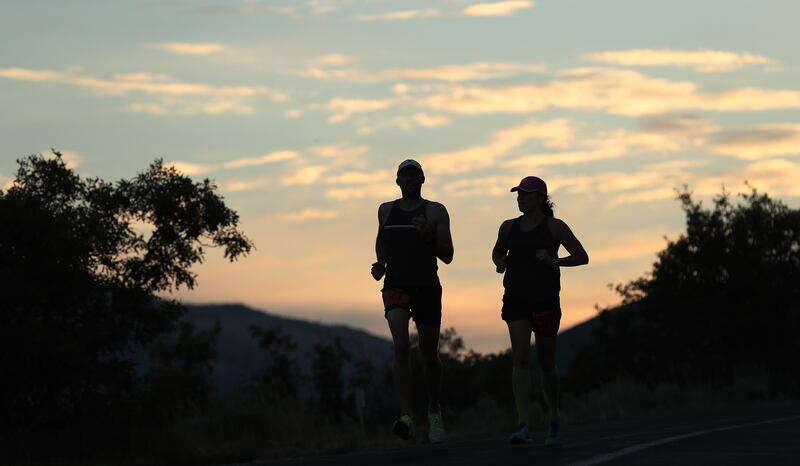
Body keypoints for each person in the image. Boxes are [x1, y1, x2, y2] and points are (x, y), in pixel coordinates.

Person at [492, 176, 588, 446]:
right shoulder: (508, 227)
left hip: (545, 299)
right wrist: (501, 262)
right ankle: (523, 424)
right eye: (519, 193)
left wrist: (554, 260)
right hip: (516, 299)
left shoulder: (554, 227)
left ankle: (554, 416)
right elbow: (497, 253)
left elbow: (582, 256)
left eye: (526, 194)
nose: (520, 197)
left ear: (540, 198)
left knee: (546, 363)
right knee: (520, 358)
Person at [371, 159, 454, 444]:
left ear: (422, 180)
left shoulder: (435, 210)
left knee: (429, 354)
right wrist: (381, 264)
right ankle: (406, 416)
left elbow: (448, 254)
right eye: (403, 177)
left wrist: (428, 236)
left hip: (427, 286)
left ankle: (433, 411)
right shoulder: (385, 210)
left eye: (413, 176)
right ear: (397, 182)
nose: (408, 181)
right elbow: (381, 239)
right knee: (402, 347)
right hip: (395, 285)